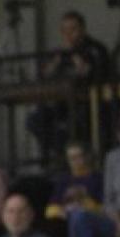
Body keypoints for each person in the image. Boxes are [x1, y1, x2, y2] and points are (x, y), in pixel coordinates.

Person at [27, 10, 112, 156]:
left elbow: (96, 73)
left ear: (82, 30)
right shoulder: (59, 53)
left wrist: (78, 61)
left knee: (71, 128)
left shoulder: (95, 48)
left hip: (87, 105)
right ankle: (58, 153)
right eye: (64, 30)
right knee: (35, 120)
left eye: (73, 29)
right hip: (62, 105)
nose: (68, 34)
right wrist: (55, 63)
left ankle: (70, 154)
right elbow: (43, 75)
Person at [45, 142, 104, 222]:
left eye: (79, 156)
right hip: (67, 219)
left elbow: (106, 208)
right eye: (72, 158)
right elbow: (50, 210)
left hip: (91, 219)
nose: (76, 161)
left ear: (86, 156)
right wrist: (62, 212)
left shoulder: (97, 179)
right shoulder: (64, 180)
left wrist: (87, 205)